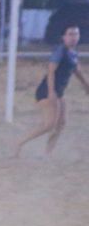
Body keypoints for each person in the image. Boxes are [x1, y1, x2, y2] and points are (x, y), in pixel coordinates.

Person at [14, 25, 89, 157]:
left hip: (59, 92)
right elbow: (51, 72)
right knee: (49, 125)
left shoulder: (73, 53)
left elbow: (77, 71)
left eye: (76, 34)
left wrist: (85, 85)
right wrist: (51, 92)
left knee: (61, 124)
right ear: (63, 37)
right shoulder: (60, 51)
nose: (74, 37)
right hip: (47, 91)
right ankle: (19, 143)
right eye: (70, 34)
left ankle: (47, 154)